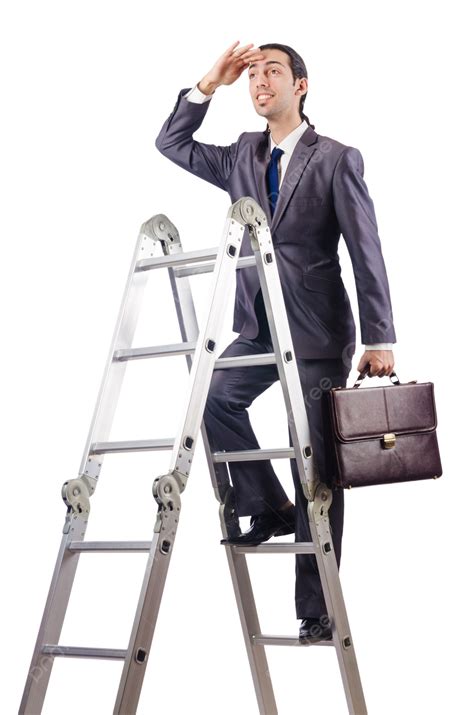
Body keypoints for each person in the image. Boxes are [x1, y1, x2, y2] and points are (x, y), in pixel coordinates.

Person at [155, 41, 396, 642]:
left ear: (302, 85)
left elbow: (366, 251)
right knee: (211, 400)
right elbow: (172, 144)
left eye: (273, 72)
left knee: (318, 468)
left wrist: (380, 337)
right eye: (254, 74)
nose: (260, 82)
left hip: (315, 333)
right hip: (257, 326)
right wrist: (209, 83)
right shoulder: (240, 154)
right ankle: (267, 503)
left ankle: (318, 610)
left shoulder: (337, 159)